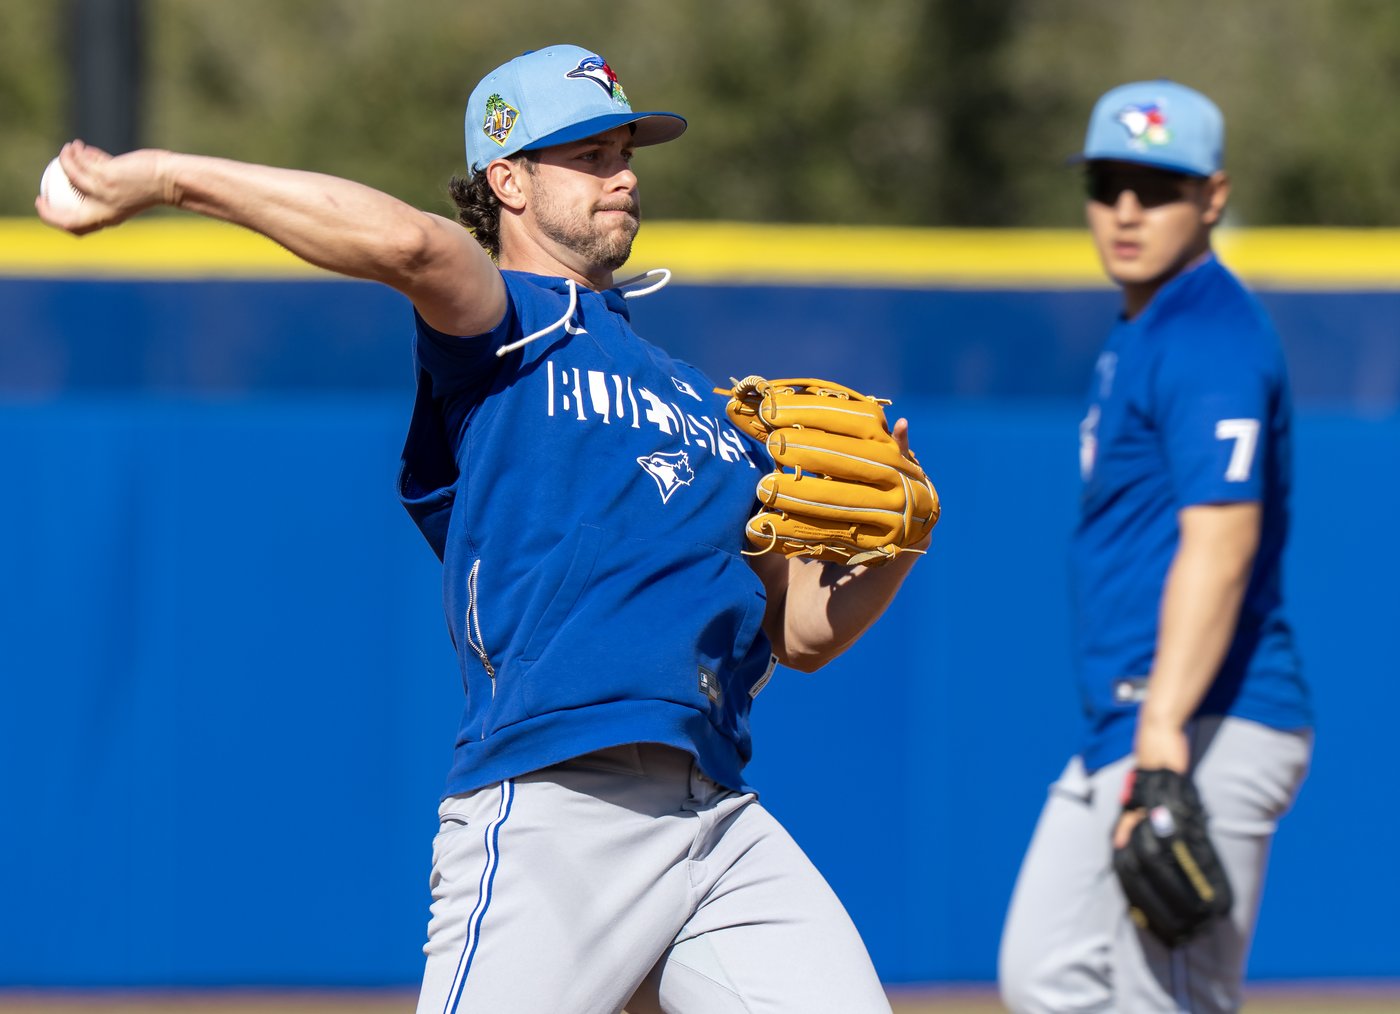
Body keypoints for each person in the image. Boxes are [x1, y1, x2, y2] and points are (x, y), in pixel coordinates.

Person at [37, 44, 930, 1014]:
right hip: (558, 799)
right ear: (506, 179)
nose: (622, 173)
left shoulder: (705, 404)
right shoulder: (508, 329)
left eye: (624, 151)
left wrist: (903, 538)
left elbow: (798, 634)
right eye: (587, 155)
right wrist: (167, 177)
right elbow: (417, 249)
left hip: (719, 812)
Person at [997, 81, 1314, 1013]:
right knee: (1047, 974)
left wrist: (1164, 737)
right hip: (1137, 721)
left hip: (1201, 717)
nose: (1127, 210)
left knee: (1166, 999)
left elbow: (1222, 542)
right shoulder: (1149, 324)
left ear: (1212, 197)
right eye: (1108, 184)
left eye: (1157, 185)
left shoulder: (1210, 332)